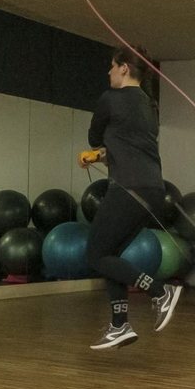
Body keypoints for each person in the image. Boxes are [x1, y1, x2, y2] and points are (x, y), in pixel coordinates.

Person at [80, 48, 181, 349]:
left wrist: (96, 151)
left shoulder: (110, 99)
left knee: (96, 256)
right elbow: (128, 147)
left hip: (128, 188)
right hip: (153, 189)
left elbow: (94, 137)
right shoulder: (149, 105)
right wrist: (102, 156)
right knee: (110, 257)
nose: (108, 72)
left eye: (112, 66)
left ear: (124, 68)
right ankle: (119, 325)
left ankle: (160, 291)